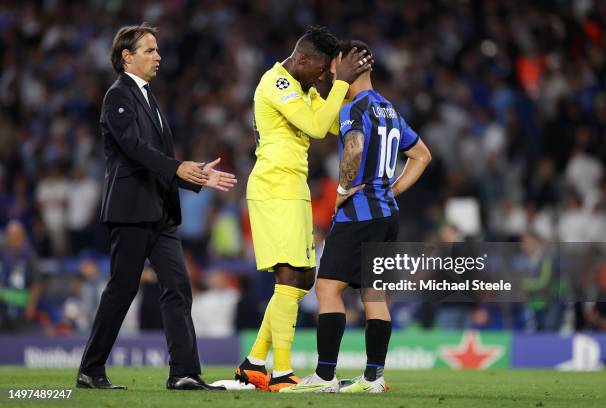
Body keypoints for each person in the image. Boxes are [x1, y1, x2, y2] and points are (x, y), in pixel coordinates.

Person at [76, 23, 236, 391]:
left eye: (158, 49)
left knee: (178, 287)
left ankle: (184, 372)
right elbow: (134, 149)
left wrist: (192, 176)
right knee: (122, 290)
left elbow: (159, 160)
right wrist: (178, 167)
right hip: (131, 212)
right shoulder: (117, 95)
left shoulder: (150, 99)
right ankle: (91, 369)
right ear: (126, 57)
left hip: (160, 213)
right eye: (149, 50)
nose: (158, 56)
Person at [282, 40, 431, 394]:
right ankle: (373, 379)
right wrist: (392, 189)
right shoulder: (389, 109)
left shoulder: (354, 108)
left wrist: (343, 189)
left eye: (333, 64)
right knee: (375, 296)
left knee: (328, 288)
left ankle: (324, 376)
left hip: (358, 213)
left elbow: (355, 147)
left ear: (344, 66)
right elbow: (422, 156)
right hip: (386, 214)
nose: (330, 70)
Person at [235, 26, 372, 392]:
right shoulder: (277, 83)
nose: (325, 77)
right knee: (289, 275)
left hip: (293, 187)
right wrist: (341, 84)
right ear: (303, 58)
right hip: (273, 185)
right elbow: (313, 125)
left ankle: (253, 362)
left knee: (304, 278)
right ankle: (280, 373)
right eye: (323, 70)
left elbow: (327, 125)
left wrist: (355, 92)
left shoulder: (303, 87)